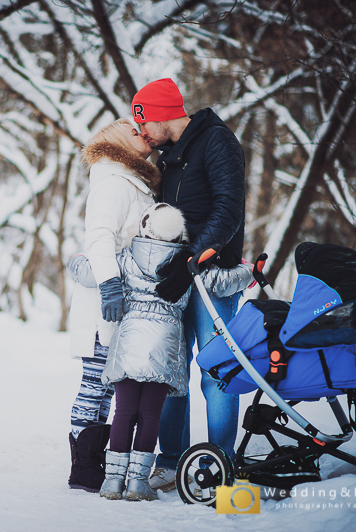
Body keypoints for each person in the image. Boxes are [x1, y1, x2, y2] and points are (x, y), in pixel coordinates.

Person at [68, 204, 254, 501]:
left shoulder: (127, 259)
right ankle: (138, 483)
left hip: (129, 348)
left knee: (124, 412)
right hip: (163, 352)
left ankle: (113, 482)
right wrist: (250, 271)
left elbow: (90, 273)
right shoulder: (185, 264)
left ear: (144, 226)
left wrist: (77, 261)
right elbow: (220, 283)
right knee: (150, 415)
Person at [130, 78, 246, 492]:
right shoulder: (168, 155)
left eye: (142, 121)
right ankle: (172, 459)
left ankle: (221, 463)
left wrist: (192, 256)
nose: (140, 131)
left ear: (162, 113)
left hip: (210, 277)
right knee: (170, 371)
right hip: (174, 276)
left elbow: (228, 208)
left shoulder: (217, 142)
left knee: (216, 371)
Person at [67, 117, 160, 492]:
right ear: (122, 142)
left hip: (124, 302)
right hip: (103, 304)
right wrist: (109, 286)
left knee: (106, 387)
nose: (146, 134)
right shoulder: (112, 183)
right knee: (94, 384)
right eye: (137, 132)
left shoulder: (131, 181)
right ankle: (83, 467)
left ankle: (91, 463)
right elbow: (100, 237)